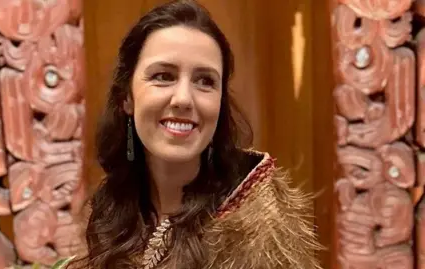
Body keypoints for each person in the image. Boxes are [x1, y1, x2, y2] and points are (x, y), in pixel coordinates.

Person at [79, 0, 321, 268]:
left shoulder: (258, 227)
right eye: (163, 76)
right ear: (127, 97)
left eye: (205, 81)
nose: (183, 99)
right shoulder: (112, 209)